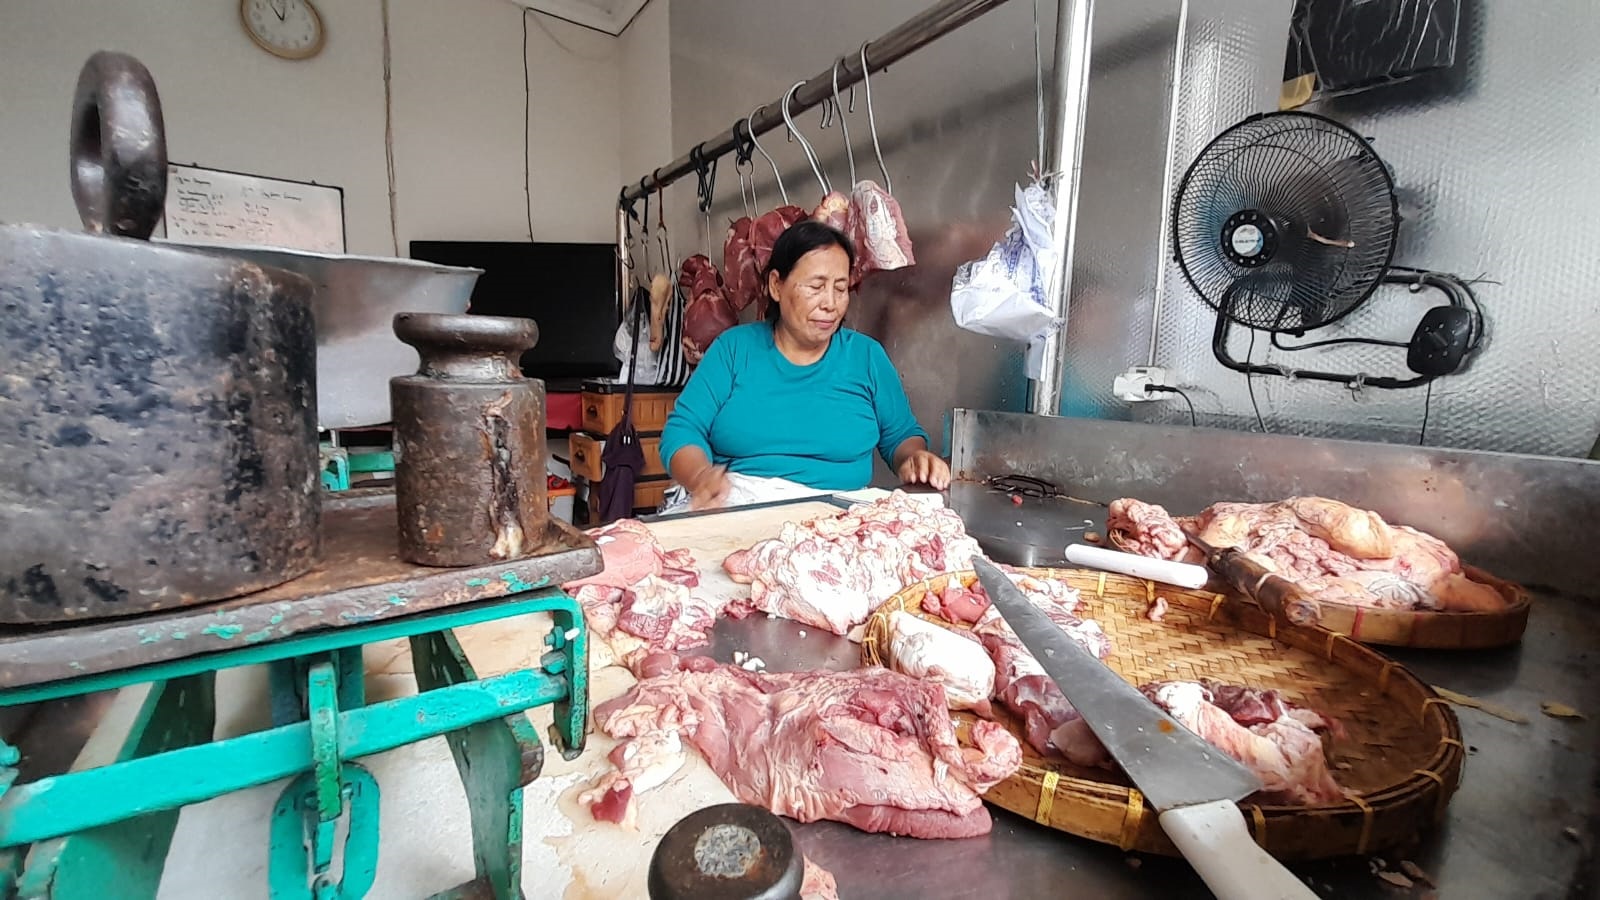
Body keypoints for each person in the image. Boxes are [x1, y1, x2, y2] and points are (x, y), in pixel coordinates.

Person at [658, 220, 951, 511]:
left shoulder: (866, 357)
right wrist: (700, 477)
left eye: (840, 289)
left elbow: (899, 435)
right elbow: (683, 429)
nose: (831, 304)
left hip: (838, 521)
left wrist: (913, 459)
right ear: (776, 285)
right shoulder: (734, 349)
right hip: (738, 508)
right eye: (816, 286)